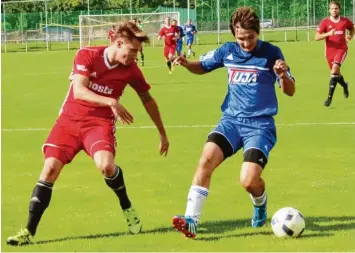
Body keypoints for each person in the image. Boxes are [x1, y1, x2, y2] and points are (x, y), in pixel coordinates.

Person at [6, 21, 170, 246]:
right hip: (69, 122)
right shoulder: (87, 55)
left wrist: (162, 133)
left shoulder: (131, 70)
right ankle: (27, 231)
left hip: (98, 124)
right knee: (50, 169)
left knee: (106, 166)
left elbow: (147, 99)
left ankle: (126, 206)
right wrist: (111, 100)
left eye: (137, 51)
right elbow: (79, 90)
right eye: (132, 50)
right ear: (118, 43)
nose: (135, 56)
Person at [171, 7, 295, 238]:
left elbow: (290, 91)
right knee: (206, 159)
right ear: (233, 35)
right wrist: (187, 64)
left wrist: (282, 74)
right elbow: (204, 66)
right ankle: (191, 220)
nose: (246, 43)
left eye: (251, 37)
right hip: (231, 121)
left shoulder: (271, 53)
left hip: (259, 126)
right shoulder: (227, 50)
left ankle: (260, 203)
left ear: (258, 33)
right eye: (241, 38)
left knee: (248, 181)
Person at [315, 1, 354, 107]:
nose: (334, 10)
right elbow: (316, 37)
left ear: (339, 9)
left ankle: (329, 98)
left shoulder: (345, 21)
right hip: (329, 52)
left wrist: (350, 36)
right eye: (332, 9)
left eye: (336, 8)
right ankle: (345, 85)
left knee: (334, 69)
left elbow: (351, 28)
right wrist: (328, 33)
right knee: (336, 74)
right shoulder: (325, 22)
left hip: (341, 49)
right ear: (329, 10)